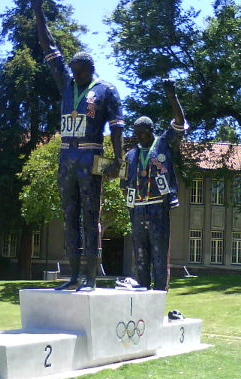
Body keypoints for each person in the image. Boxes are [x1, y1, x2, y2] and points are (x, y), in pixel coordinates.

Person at [31, 0, 125, 291]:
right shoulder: (67, 84)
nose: (72, 73)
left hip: (90, 156)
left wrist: (118, 161)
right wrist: (37, 10)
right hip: (66, 158)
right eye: (70, 69)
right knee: (69, 216)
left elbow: (117, 126)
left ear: (88, 68)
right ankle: (72, 275)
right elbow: (48, 46)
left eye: (77, 69)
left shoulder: (106, 90)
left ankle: (91, 276)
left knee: (90, 215)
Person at [122, 80, 187, 291]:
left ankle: (159, 294)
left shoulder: (164, 143)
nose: (139, 136)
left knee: (159, 254)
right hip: (138, 209)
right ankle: (142, 293)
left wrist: (172, 96)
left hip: (158, 205)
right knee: (140, 255)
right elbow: (123, 181)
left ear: (151, 130)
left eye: (143, 132)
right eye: (136, 133)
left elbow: (179, 121)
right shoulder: (130, 155)